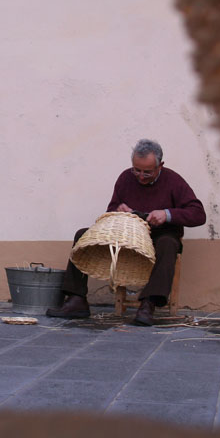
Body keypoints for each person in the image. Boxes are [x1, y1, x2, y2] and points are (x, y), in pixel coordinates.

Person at [46, 139, 207, 326]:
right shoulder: (125, 178)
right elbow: (111, 210)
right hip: (128, 235)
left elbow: (198, 214)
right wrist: (118, 210)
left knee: (168, 244)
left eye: (147, 172)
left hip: (159, 234)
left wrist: (167, 214)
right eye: (136, 170)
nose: (141, 176)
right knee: (82, 235)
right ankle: (76, 300)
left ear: (160, 166)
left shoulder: (173, 181)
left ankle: (148, 304)